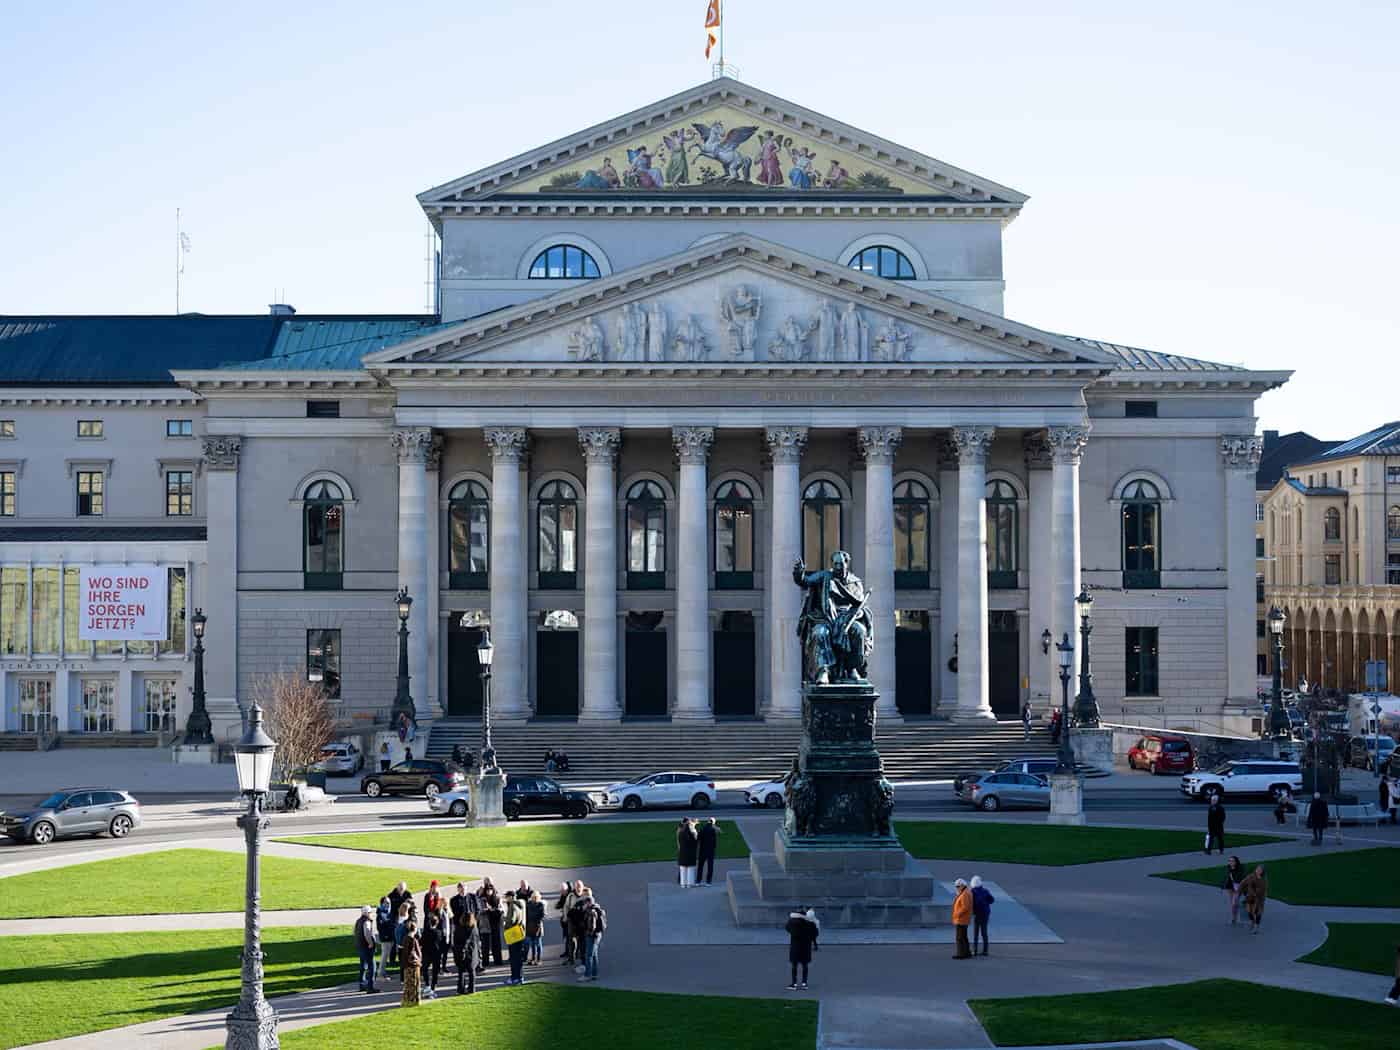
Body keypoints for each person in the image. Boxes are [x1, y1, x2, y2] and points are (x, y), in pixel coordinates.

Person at [450, 882, 480, 994]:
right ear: (458, 889)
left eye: (464, 888)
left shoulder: (472, 897)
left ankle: (470, 988)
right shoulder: (454, 900)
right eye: (461, 888)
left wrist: (472, 920)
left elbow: (477, 909)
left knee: (470, 963)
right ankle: (461, 988)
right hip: (461, 926)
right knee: (462, 966)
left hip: (471, 925)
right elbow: (456, 913)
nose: (463, 890)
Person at [785, 907, 819, 989]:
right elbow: (815, 934)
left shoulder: (792, 922)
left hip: (795, 947)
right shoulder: (810, 923)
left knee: (794, 966)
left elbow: (787, 928)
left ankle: (794, 983)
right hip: (806, 947)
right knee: (805, 966)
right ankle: (804, 983)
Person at [578, 887, 606, 982]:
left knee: (588, 955)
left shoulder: (591, 912)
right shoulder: (597, 908)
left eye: (585, 903)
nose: (584, 905)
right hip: (598, 935)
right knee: (594, 955)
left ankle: (587, 975)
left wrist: (588, 933)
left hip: (592, 935)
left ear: (588, 903)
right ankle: (595, 974)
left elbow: (592, 926)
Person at [502, 889, 528, 985]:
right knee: (518, 957)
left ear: (511, 897)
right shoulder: (521, 904)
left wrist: (503, 917)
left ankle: (514, 977)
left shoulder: (513, 905)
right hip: (520, 932)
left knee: (513, 958)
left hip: (513, 933)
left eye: (507, 897)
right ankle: (519, 977)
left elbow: (511, 920)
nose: (506, 899)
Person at [478, 877, 503, 967]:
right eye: (487, 890)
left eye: (491, 890)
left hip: (495, 923)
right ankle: (485, 962)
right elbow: (479, 911)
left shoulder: (497, 898)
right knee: (485, 945)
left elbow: (501, 909)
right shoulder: (481, 899)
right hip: (485, 924)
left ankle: (498, 960)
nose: (489, 891)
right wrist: (486, 910)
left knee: (496, 943)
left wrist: (493, 910)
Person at [355, 904, 379, 993]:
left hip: (360, 946)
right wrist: (371, 943)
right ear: (367, 913)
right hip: (366, 947)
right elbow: (367, 933)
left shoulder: (358, 921)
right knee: (372, 966)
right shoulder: (367, 921)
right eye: (370, 912)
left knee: (363, 966)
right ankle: (370, 986)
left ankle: (362, 984)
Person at [422, 911, 446, 997]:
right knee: (435, 971)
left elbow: (422, 942)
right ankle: (433, 988)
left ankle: (427, 985)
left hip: (427, 953)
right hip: (436, 954)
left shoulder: (426, 932)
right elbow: (442, 944)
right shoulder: (439, 932)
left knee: (425, 969)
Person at [970, 876, 995, 956]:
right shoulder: (985, 890)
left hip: (977, 914)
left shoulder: (972, 891)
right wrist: (985, 903)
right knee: (984, 932)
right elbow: (992, 900)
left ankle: (975, 950)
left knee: (976, 932)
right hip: (985, 913)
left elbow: (971, 903)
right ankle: (985, 951)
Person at [399, 920, 422, 1007]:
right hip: (413, 965)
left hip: (406, 965)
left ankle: (406, 1000)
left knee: (408, 984)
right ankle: (414, 1001)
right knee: (414, 984)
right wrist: (418, 961)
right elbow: (413, 953)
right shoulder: (413, 940)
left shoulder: (405, 938)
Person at [556, 880, 580, 962]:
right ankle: (569, 954)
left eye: (563, 891)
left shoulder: (572, 895)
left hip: (575, 920)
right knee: (568, 937)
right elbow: (562, 905)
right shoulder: (566, 895)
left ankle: (576, 954)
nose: (562, 892)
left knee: (575, 938)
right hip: (567, 920)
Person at [1240, 865, 1267, 933]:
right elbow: (1243, 883)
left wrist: (1261, 898)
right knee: (1249, 911)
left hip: (1259, 898)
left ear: (1262, 871)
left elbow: (1263, 890)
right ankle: (1252, 921)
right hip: (1250, 896)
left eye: (1260, 870)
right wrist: (1241, 891)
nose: (1258, 870)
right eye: (1257, 869)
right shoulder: (1250, 876)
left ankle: (1256, 927)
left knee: (1258, 912)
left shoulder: (1263, 880)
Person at [375, 895, 396, 982]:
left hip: (390, 937)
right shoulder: (381, 914)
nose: (388, 904)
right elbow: (380, 927)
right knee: (384, 956)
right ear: (382, 903)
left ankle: (383, 972)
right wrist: (386, 935)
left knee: (386, 956)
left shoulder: (388, 913)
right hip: (385, 938)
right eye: (386, 903)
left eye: (389, 902)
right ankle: (380, 974)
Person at [951, 878, 973, 959]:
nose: (956, 888)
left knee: (959, 938)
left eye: (958, 886)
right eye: (956, 886)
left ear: (962, 885)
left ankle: (961, 954)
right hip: (963, 919)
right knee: (964, 937)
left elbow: (965, 907)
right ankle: (967, 953)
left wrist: (957, 914)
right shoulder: (965, 892)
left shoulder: (964, 894)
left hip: (961, 919)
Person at [697, 817, 721, 887]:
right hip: (711, 850)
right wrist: (714, 826)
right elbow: (720, 831)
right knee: (710, 866)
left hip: (702, 850)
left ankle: (698, 881)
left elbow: (698, 838)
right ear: (713, 822)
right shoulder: (713, 829)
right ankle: (708, 881)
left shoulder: (702, 828)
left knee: (700, 866)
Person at [1222, 856, 1245, 925]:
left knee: (1235, 902)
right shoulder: (1228, 868)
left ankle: (1242, 909)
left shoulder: (1240, 869)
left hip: (1238, 887)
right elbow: (1227, 877)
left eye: (1232, 861)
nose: (1230, 862)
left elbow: (1240, 879)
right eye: (1229, 861)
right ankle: (1234, 918)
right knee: (1233, 903)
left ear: (1236, 862)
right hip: (1230, 886)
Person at [677, 817, 699, 888]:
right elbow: (696, 843)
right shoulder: (693, 833)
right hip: (691, 854)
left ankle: (683, 884)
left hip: (682, 853)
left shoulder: (680, 833)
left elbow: (679, 842)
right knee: (690, 869)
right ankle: (690, 884)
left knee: (683, 869)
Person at [526, 889, 546, 965]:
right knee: (532, 944)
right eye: (533, 897)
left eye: (536, 897)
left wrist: (536, 920)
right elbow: (526, 915)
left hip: (538, 927)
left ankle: (539, 959)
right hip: (530, 927)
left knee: (538, 944)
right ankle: (533, 958)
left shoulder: (541, 905)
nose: (535, 898)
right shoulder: (529, 904)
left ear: (539, 897)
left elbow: (542, 915)